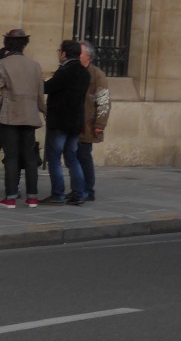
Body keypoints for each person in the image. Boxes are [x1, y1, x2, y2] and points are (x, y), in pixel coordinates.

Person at [0, 28, 45, 208]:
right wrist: (44, 111)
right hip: (30, 115)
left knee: (11, 156)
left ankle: (10, 197)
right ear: (24, 44)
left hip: (10, 115)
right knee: (30, 156)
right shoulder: (34, 65)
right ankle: (32, 197)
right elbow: (40, 95)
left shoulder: (3, 64)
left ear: (7, 44)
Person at [42, 39, 90, 205]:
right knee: (72, 157)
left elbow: (46, 88)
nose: (58, 54)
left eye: (59, 51)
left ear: (64, 53)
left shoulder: (65, 71)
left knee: (54, 158)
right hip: (76, 122)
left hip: (60, 122)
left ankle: (58, 194)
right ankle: (79, 193)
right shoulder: (84, 72)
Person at [77, 41, 110, 203]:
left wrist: (100, 124)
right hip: (74, 122)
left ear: (88, 56)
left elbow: (104, 100)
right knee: (75, 156)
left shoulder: (97, 74)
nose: (77, 54)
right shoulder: (74, 71)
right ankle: (79, 187)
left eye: (80, 52)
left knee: (83, 155)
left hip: (87, 123)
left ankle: (88, 189)